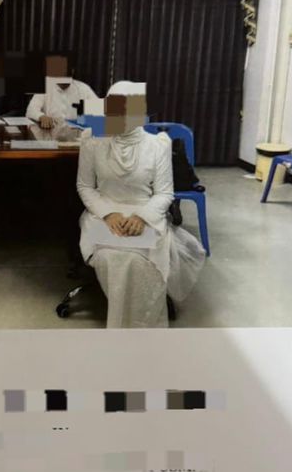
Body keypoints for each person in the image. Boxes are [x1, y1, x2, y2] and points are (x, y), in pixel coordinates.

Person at [75, 85, 204, 328]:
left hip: (146, 212)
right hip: (102, 213)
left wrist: (142, 217)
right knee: (112, 256)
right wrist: (108, 214)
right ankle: (120, 326)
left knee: (140, 261)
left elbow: (164, 193)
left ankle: (143, 328)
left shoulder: (158, 144)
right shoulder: (92, 140)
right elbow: (85, 186)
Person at [26, 75, 98, 130]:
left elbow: (98, 111)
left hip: (77, 136)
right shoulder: (45, 86)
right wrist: (41, 116)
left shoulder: (83, 88)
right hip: (50, 137)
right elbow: (31, 110)